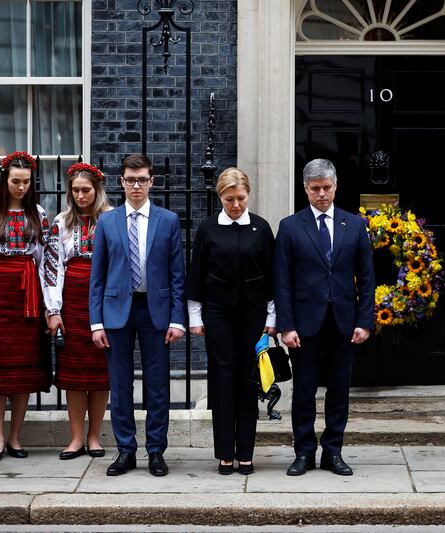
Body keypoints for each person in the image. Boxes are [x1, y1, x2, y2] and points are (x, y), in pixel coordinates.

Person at [275, 158, 375, 477]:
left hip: (343, 320)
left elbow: (367, 277)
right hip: (304, 324)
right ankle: (304, 451)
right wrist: (286, 325)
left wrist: (364, 321)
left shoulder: (355, 224)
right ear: (305, 189)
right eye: (315, 189)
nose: (322, 194)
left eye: (327, 188)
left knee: (339, 389)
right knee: (304, 389)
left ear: (336, 186)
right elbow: (282, 280)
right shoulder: (291, 226)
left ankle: (333, 451)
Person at [89, 153, 185, 476]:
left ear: (152, 181)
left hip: (155, 311)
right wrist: (96, 322)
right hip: (117, 312)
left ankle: (156, 450)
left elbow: (177, 275)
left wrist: (176, 318)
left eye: (142, 179)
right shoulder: (107, 221)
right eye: (130, 180)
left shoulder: (168, 221)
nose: (136, 186)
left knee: (158, 385)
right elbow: (97, 276)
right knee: (120, 384)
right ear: (121, 182)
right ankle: (125, 450)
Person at [187, 167, 276, 476]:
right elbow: (196, 274)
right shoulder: (208, 229)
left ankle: (247, 452)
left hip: (253, 313)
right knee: (223, 379)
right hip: (218, 313)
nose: (236, 204)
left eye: (240, 198)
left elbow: (272, 277)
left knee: (248, 380)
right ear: (220, 197)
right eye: (229, 199)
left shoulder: (261, 229)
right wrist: (195, 317)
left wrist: (272, 317)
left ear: (248, 195)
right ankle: (225, 453)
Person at [40, 162, 112, 460]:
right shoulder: (61, 221)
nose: (81, 196)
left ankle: (94, 437)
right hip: (71, 299)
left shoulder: (111, 219)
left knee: (100, 374)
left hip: (104, 301)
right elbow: (52, 265)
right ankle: (75, 438)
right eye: (76, 191)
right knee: (72, 373)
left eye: (86, 190)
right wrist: (53, 309)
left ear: (97, 191)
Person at [0, 151, 50, 463]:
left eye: (26, 182)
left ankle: (15, 436)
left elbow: (42, 262)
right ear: (5, 180)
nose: (21, 187)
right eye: (16, 181)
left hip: (28, 299)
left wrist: (46, 305)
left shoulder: (38, 213)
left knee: (24, 371)